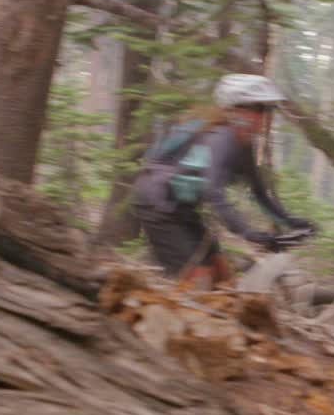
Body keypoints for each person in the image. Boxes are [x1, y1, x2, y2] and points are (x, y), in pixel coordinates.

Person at [133, 74, 313, 288]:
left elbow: (259, 193)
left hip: (182, 209)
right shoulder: (222, 138)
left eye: (268, 109)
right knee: (199, 280)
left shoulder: (244, 144)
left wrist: (294, 223)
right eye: (259, 109)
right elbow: (213, 192)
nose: (265, 116)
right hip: (157, 205)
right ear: (237, 110)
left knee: (223, 275)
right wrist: (248, 233)